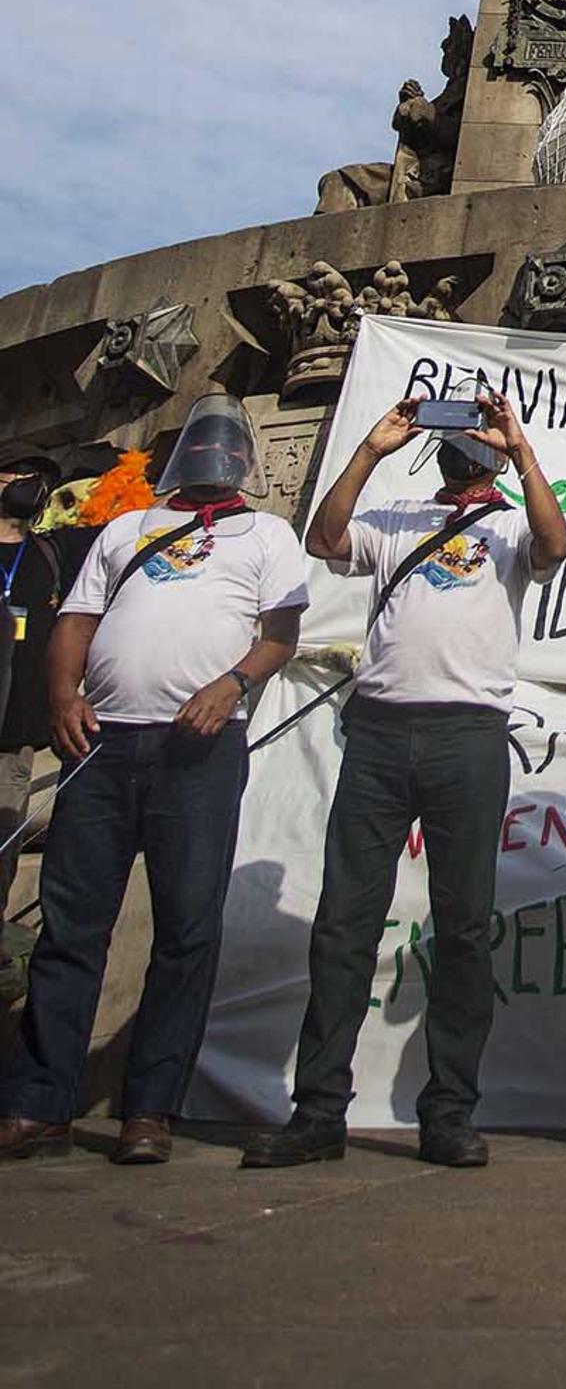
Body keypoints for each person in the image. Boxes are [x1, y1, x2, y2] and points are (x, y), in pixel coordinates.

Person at [241, 390, 566, 1171]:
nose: (464, 447)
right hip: (382, 734)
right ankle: (318, 1109)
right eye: (453, 434)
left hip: (469, 735)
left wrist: (521, 451)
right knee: (344, 923)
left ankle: (449, 1110)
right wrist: (371, 448)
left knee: (461, 928)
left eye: (474, 434)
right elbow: (324, 539)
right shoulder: (397, 517)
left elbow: (556, 545)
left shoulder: (511, 523)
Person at [0, 393, 307, 1166]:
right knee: (71, 927)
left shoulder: (266, 533)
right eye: (204, 443)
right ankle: (41, 1102)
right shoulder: (128, 527)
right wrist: (63, 696)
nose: (214, 456)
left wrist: (233, 682)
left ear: (244, 461)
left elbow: (281, 632)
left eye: (226, 446)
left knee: (187, 927)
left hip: (199, 751)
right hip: (104, 746)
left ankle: (149, 1108)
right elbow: (76, 618)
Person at [0, 454, 67, 1003]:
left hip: (15, 733)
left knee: (2, 842)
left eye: (36, 478)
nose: (30, 485)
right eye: (18, 474)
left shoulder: (49, 552)